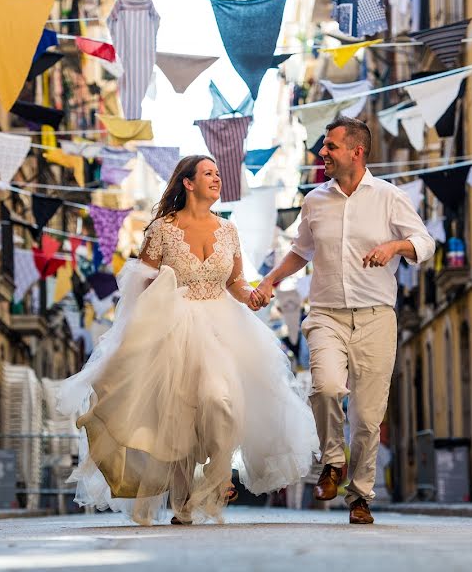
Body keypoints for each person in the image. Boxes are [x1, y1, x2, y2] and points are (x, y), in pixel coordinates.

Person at [55, 155, 319, 526]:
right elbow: (140, 279)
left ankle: (217, 476)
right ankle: (182, 506)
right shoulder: (162, 228)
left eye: (217, 173)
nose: (216, 178)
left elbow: (235, 283)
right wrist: (140, 326)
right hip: (173, 326)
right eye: (208, 173)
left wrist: (253, 296)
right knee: (178, 417)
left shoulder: (228, 230)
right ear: (188, 183)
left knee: (219, 400)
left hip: (223, 327)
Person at [252, 116, 434, 524]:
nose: (322, 153)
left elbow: (425, 242)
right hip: (327, 315)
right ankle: (332, 462)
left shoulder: (389, 196)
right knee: (327, 386)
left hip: (376, 317)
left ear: (357, 151)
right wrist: (268, 281)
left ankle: (360, 496)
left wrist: (393, 247)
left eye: (330, 146)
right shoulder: (315, 200)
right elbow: (301, 251)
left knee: (368, 418)